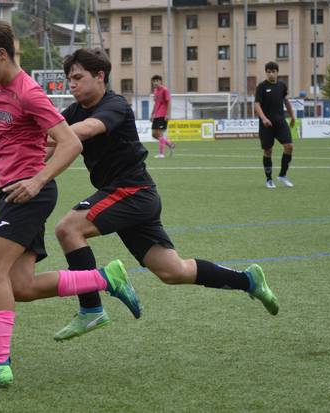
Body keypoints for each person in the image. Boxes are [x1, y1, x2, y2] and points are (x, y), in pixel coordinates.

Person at [0, 22, 141, 389]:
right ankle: (104, 278)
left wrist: (36, 180)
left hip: (31, 193)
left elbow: (70, 143)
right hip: (10, 192)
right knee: (21, 286)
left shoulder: (30, 93)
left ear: (2, 54)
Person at [51, 48, 279, 342]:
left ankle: (91, 309)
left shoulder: (115, 104)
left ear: (100, 76)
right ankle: (248, 280)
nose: (72, 83)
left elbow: (87, 129)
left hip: (132, 192)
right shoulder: (73, 111)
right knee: (173, 271)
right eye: (69, 78)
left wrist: (56, 134)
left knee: (68, 229)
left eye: (78, 77)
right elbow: (51, 139)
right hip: (131, 197)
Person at [254, 62, 296, 188]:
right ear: (266, 72)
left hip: (280, 122)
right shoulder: (261, 87)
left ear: (277, 72)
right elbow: (256, 104)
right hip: (266, 125)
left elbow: (286, 101)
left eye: (273, 71)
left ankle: (282, 175)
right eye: (269, 71)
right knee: (268, 151)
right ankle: (269, 179)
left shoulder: (282, 86)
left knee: (289, 146)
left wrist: (292, 116)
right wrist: (264, 118)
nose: (271, 74)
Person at [150, 75, 174, 158]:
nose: (155, 83)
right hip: (156, 115)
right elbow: (155, 104)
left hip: (163, 115)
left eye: (157, 81)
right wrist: (152, 114)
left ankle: (161, 154)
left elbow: (169, 102)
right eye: (154, 81)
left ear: (160, 81)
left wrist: (168, 114)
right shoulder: (155, 91)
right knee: (154, 134)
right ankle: (170, 144)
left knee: (160, 134)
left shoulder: (165, 90)